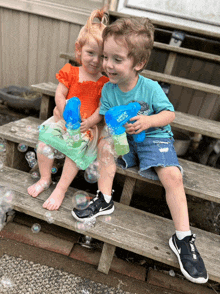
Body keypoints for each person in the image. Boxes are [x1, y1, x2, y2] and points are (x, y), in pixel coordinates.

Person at [71, 17, 208, 284]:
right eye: (106, 57)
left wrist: (148, 121)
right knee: (105, 146)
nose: (107, 64)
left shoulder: (151, 88)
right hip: (126, 139)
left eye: (117, 59)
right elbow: (106, 116)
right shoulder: (109, 89)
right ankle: (104, 199)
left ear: (139, 63)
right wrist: (89, 126)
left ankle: (182, 238)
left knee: (172, 176)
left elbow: (170, 114)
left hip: (154, 136)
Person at [27, 8, 109, 211]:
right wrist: (63, 109)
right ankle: (45, 178)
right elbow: (60, 95)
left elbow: (102, 108)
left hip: (85, 128)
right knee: (44, 142)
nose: (95, 60)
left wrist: (89, 122)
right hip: (63, 120)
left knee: (74, 152)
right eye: (91, 53)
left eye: (102, 56)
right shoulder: (70, 72)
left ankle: (61, 188)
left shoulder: (105, 83)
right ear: (78, 50)